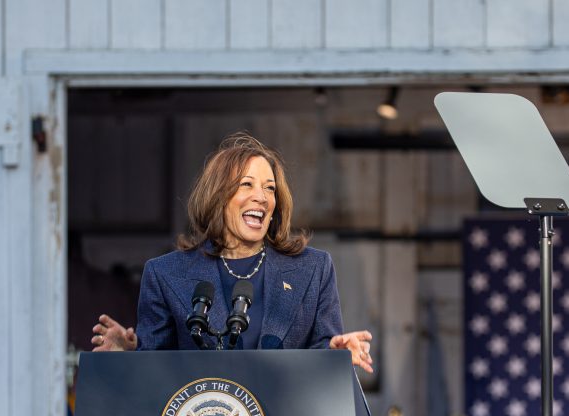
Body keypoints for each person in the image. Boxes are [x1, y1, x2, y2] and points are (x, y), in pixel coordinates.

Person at [91, 132, 373, 372]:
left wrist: (335, 352)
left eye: (269, 188)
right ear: (218, 196)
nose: (261, 197)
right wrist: (127, 359)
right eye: (246, 185)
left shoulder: (314, 269)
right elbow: (155, 375)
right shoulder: (165, 274)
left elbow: (321, 354)